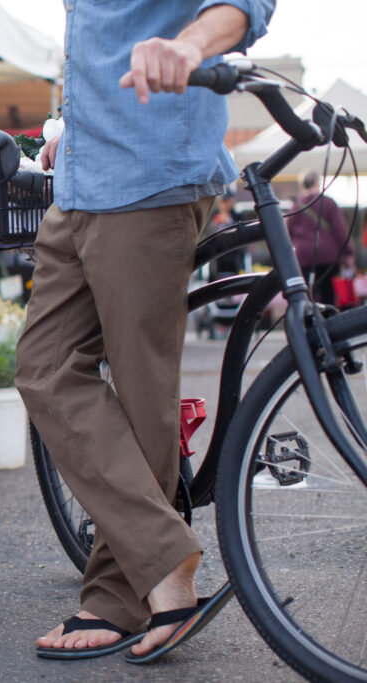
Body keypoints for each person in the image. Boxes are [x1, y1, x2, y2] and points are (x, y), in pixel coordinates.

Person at [15, 0, 273, 663]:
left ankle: (123, 590)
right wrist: (72, 124)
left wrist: (189, 43)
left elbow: (246, 4)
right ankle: (162, 556)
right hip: (80, 177)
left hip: (149, 172)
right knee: (43, 367)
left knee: (139, 392)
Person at [285, 168, 354, 307]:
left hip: (303, 256)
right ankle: (328, 322)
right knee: (328, 291)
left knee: (308, 293)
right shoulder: (328, 203)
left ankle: (310, 322)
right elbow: (340, 230)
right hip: (328, 255)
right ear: (317, 182)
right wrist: (348, 253)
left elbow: (287, 232)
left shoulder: (295, 206)